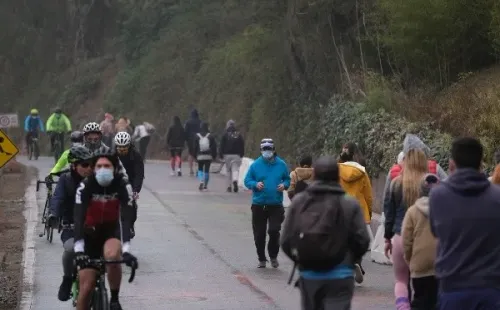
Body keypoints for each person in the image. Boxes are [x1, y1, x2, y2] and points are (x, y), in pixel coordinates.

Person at [281, 156, 370, 310]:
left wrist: (301, 261)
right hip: (341, 275)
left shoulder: (300, 201)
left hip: (309, 274)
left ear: (314, 175)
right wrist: (350, 260)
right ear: (337, 176)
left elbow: (286, 240)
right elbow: (363, 240)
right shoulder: (349, 204)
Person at [429, 137, 500, 309]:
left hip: (452, 287)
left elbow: (436, 233)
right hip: (491, 289)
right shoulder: (496, 197)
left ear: (452, 164)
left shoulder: (438, 197)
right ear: (481, 164)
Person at [73, 149, 138, 310]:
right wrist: (79, 250)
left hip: (111, 232)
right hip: (89, 234)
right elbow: (79, 218)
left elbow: (126, 218)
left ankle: (114, 299)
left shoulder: (123, 185)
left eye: (107, 166)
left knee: (113, 256)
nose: (103, 169)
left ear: (114, 168)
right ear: (94, 169)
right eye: (99, 166)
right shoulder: (85, 185)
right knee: (86, 289)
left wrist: (127, 250)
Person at [384, 141, 430, 310]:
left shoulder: (396, 183)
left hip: (399, 237)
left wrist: (387, 238)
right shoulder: (429, 184)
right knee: (423, 284)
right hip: (423, 238)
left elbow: (389, 214)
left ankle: (403, 307)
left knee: (401, 281)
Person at [47, 145, 93, 301]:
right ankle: (67, 279)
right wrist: (53, 215)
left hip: (94, 226)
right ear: (74, 166)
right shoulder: (65, 180)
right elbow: (57, 199)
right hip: (71, 226)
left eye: (91, 164)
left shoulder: (97, 179)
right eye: (84, 165)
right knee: (70, 249)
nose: (89, 168)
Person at [244, 138, 290, 268]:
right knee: (259, 234)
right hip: (259, 204)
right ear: (261, 150)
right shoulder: (255, 165)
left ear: (274, 150)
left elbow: (287, 179)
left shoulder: (281, 164)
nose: (267, 151)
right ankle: (262, 258)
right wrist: (255, 184)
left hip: (275, 204)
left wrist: (284, 185)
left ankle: (273, 256)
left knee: (274, 231)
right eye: (264, 149)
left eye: (269, 149)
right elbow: (247, 180)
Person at [401, 174, 439, 310]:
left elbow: (406, 241)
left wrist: (410, 260)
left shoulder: (412, 212)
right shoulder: (445, 209)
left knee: (420, 298)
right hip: (440, 264)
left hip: (419, 265)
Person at [338, 142, 373, 284]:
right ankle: (357, 262)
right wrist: (368, 212)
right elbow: (368, 195)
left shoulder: (336, 169)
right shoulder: (362, 172)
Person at [114, 131, 144, 238]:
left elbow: (139, 174)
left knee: (131, 205)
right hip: (115, 180)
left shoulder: (136, 155)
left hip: (130, 181)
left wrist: (136, 190)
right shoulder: (111, 154)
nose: (122, 150)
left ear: (129, 146)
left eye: (124, 148)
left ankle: (130, 225)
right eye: (119, 148)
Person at [219, 119, 245, 192]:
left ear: (227, 125)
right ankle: (235, 180)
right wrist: (242, 154)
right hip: (236, 155)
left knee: (228, 170)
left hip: (227, 155)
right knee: (235, 169)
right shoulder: (238, 134)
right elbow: (242, 145)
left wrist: (221, 154)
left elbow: (221, 145)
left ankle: (229, 187)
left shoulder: (225, 134)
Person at [193, 122, 217, 191]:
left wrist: (195, 156)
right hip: (208, 156)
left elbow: (195, 147)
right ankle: (205, 186)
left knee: (200, 169)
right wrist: (214, 156)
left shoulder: (197, 136)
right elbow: (214, 147)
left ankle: (201, 181)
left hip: (200, 156)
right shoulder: (210, 136)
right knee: (206, 171)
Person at [184, 109, 202, 176]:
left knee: (191, 154)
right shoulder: (200, 122)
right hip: (199, 139)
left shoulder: (188, 122)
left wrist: (186, 140)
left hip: (190, 140)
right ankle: (198, 169)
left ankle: (191, 170)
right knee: (198, 155)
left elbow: (185, 132)